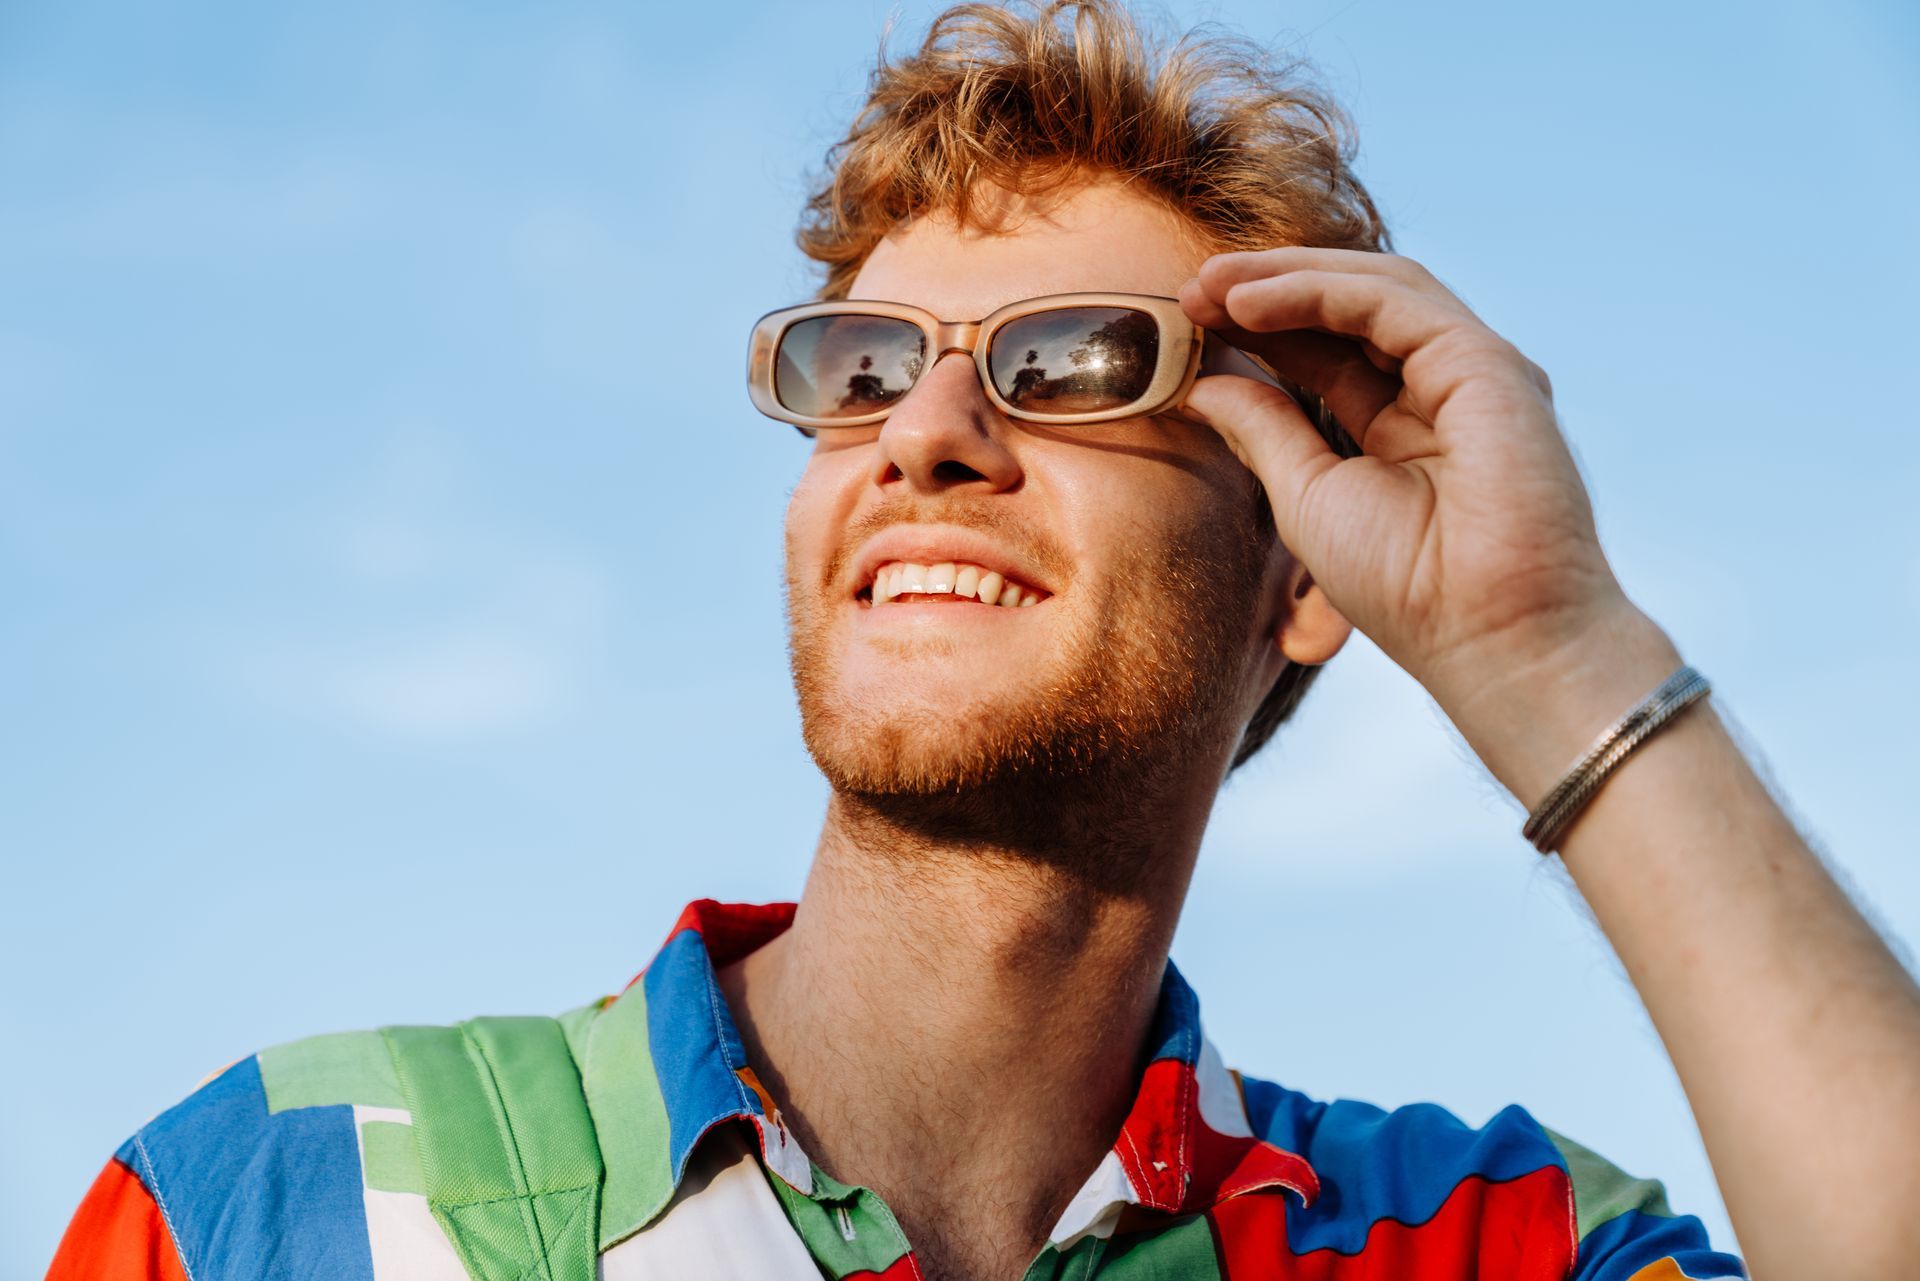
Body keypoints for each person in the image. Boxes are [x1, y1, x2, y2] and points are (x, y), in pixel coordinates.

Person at [48, 3, 1920, 1279]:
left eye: (1076, 365)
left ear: (1304, 574)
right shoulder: (265, 1199)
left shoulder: (1475, 1242)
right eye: (861, 371)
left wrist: (1552, 647)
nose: (930, 436)